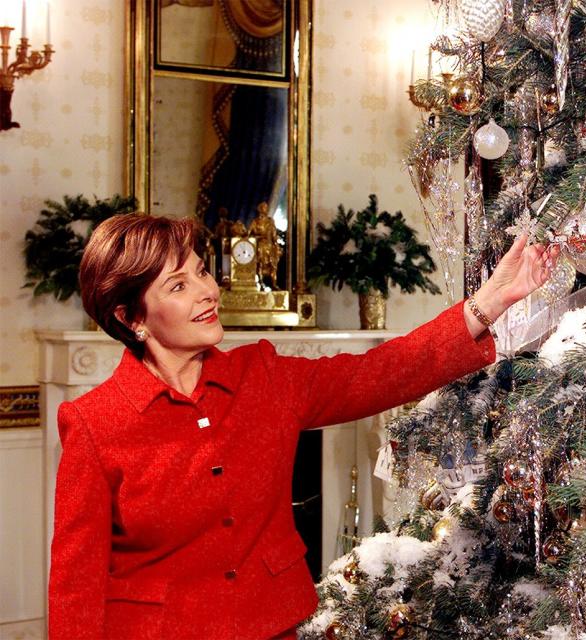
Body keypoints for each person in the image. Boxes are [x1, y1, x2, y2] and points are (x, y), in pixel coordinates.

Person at [48, 213, 558, 640]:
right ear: (130, 317)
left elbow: (379, 373)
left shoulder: (263, 377)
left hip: (273, 626)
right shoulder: (95, 422)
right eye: (179, 286)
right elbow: (76, 583)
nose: (207, 291)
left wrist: (489, 301)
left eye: (202, 272)